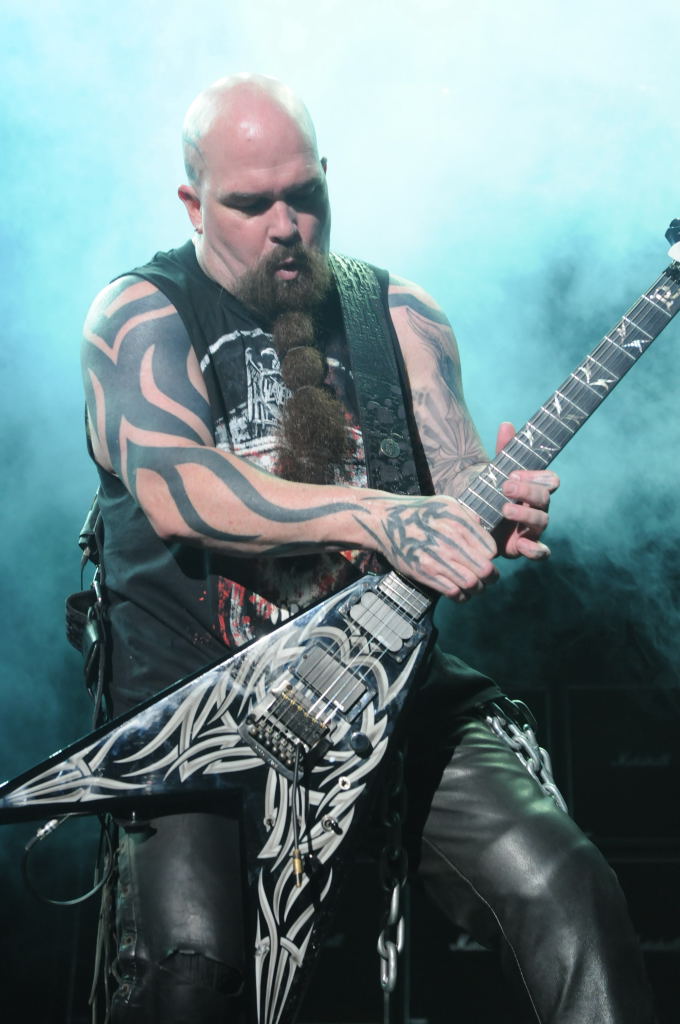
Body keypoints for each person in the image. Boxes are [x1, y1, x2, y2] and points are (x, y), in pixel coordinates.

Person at [81, 73, 655, 1023]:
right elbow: (176, 489)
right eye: (251, 203)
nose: (286, 226)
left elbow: (455, 479)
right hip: (199, 712)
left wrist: (492, 510)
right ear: (193, 203)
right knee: (190, 974)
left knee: (569, 889)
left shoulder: (399, 313)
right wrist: (381, 515)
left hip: (389, 688)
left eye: (304, 194)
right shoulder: (141, 313)